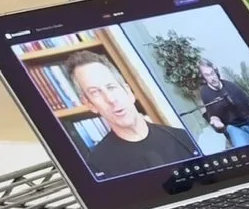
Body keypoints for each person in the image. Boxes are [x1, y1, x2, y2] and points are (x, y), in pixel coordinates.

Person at [67, 55, 201, 174]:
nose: (111, 99)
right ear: (89, 104)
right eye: (95, 92)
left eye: (111, 87)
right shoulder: (97, 166)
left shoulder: (181, 137)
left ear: (128, 91)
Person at [197, 59, 249, 147]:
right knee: (245, 154)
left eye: (212, 73)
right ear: (203, 77)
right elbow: (213, 114)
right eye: (207, 75)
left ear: (215, 71)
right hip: (233, 127)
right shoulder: (204, 93)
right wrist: (216, 121)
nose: (212, 78)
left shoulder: (231, 86)